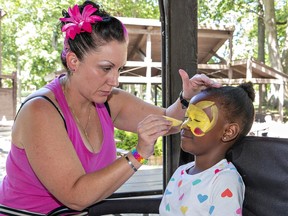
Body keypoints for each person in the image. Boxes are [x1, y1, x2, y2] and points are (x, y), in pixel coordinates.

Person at [0, 1, 220, 214]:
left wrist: (186, 98)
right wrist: (138, 153)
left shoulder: (109, 101)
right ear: (73, 61)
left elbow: (165, 121)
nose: (115, 81)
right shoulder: (40, 111)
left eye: (119, 69)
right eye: (106, 68)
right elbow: (76, 196)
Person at [159, 82, 255, 215]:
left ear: (228, 132)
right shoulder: (181, 172)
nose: (185, 125)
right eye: (188, 118)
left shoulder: (224, 181)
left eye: (197, 120)